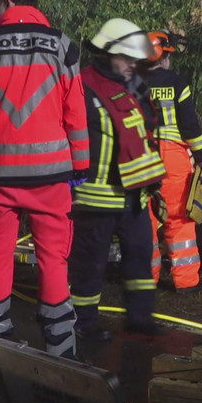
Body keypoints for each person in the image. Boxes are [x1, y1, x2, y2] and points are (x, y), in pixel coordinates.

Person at [0, 0, 89, 368]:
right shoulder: (63, 45)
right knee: (53, 259)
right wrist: (79, 167)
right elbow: (76, 113)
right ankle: (61, 353)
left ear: (10, 2)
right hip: (51, 177)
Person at [69, 18, 168, 338]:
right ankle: (82, 325)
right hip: (94, 197)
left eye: (134, 59)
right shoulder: (82, 86)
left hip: (134, 194)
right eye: (126, 58)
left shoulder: (134, 87)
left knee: (140, 257)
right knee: (89, 266)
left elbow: (147, 134)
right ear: (107, 54)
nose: (132, 64)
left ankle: (141, 320)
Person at [142, 30, 202, 293]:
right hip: (172, 158)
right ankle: (186, 281)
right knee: (178, 219)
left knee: (144, 220)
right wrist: (201, 155)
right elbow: (190, 126)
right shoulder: (177, 83)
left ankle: (146, 280)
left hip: (140, 156)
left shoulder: (132, 83)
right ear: (164, 56)